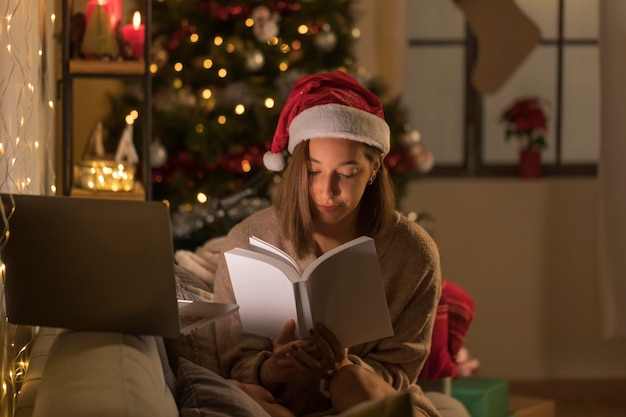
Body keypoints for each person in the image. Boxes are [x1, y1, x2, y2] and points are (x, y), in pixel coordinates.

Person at [207, 70, 454, 417]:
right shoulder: (247, 241)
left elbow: (400, 371)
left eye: (348, 173)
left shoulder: (413, 254)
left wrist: (340, 368)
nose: (327, 190)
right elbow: (233, 363)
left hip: (366, 404)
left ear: (375, 167)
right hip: (278, 405)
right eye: (313, 170)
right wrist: (274, 368)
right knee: (240, 398)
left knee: (350, 381)